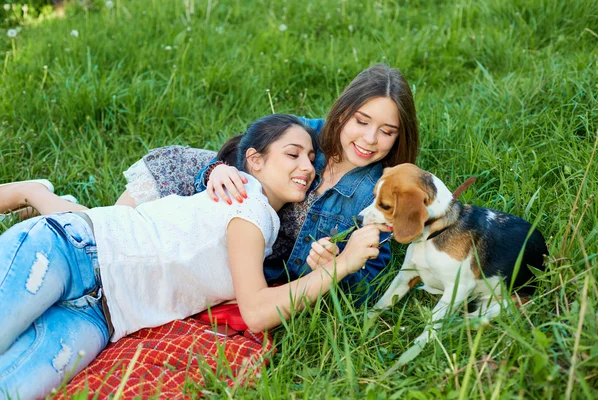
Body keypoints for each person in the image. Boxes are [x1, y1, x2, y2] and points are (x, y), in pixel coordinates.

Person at [0, 114, 389, 399]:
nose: (307, 167)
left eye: (310, 158)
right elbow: (256, 311)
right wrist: (343, 264)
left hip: (102, 317)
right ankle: (35, 193)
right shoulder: (249, 204)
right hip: (73, 252)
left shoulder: (265, 229)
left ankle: (52, 200)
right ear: (254, 160)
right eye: (293, 155)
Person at [0, 63, 419, 302]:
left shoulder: (380, 193)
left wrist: (334, 268)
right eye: (362, 122)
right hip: (195, 192)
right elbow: (248, 150)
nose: (368, 139)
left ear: (401, 137)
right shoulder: (310, 134)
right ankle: (33, 192)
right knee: (105, 235)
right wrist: (215, 171)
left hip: (228, 246)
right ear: (343, 112)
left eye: (386, 131)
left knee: (114, 257)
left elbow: (370, 274)